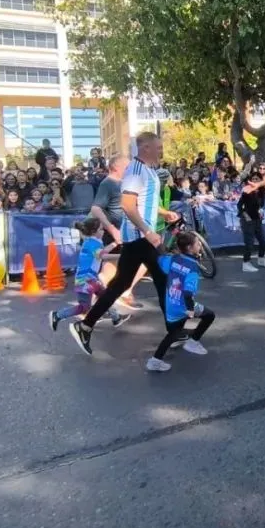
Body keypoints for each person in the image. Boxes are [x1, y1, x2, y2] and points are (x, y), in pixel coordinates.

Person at [68, 132, 181, 356]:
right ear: (146, 148)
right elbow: (128, 205)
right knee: (163, 280)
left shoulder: (148, 170)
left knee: (122, 284)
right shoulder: (135, 171)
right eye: (158, 147)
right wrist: (148, 231)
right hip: (140, 236)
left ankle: (85, 326)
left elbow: (143, 201)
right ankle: (174, 330)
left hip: (140, 236)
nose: (161, 151)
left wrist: (163, 213)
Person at [147, 231, 216, 372]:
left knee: (173, 333)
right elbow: (188, 293)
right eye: (197, 243)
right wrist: (190, 310)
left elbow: (161, 260)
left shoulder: (173, 259)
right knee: (210, 315)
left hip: (171, 303)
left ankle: (155, 361)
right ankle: (193, 341)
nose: (200, 245)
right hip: (184, 306)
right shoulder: (193, 268)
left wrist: (159, 246)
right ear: (190, 248)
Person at [48, 218, 130, 332]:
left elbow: (102, 252)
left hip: (90, 279)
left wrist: (115, 243)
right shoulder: (92, 243)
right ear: (94, 231)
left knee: (106, 297)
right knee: (84, 307)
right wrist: (122, 256)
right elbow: (102, 256)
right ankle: (58, 315)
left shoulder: (93, 241)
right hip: (86, 280)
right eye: (101, 229)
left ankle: (116, 318)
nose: (103, 231)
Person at [237, 171, 265, 273]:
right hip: (247, 220)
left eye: (257, 179)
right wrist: (246, 216)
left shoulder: (262, 190)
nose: (255, 181)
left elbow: (260, 205)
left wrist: (260, 210)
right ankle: (246, 263)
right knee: (249, 243)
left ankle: (261, 259)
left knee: (263, 241)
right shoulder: (247, 190)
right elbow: (239, 205)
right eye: (253, 179)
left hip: (257, 219)